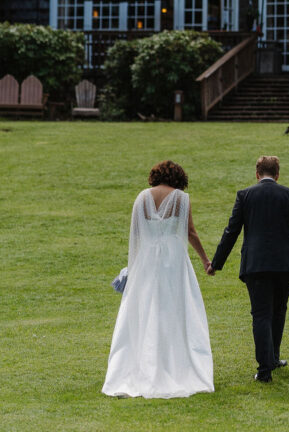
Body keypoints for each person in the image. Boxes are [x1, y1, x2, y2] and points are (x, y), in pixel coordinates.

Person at [102, 160, 214, 399]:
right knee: (174, 309)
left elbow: (136, 234)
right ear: (179, 178)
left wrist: (133, 266)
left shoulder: (142, 197)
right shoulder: (181, 199)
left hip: (146, 260)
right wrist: (205, 260)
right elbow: (190, 232)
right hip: (173, 260)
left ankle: (141, 364)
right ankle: (175, 363)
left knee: (145, 308)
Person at [208, 154, 289, 383]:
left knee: (261, 314)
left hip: (256, 264)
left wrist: (216, 263)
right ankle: (272, 357)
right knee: (279, 309)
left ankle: (265, 369)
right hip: (285, 265)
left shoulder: (245, 195)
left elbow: (231, 231)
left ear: (257, 173)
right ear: (277, 174)